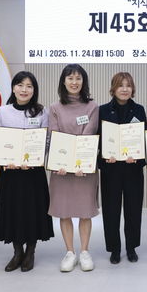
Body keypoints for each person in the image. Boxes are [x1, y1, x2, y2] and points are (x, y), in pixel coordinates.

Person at [0, 71, 54, 272]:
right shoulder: (3, 111)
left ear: (34, 90)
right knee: (13, 210)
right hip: (10, 172)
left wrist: (36, 159)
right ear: (13, 88)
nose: (24, 89)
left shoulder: (42, 112)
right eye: (20, 85)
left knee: (32, 210)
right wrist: (5, 160)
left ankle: (31, 251)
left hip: (33, 172)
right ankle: (17, 251)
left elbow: (46, 140)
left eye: (29, 86)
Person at [48, 64, 99, 272]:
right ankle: (69, 252)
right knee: (64, 211)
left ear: (83, 81)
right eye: (70, 78)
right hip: (61, 169)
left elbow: (89, 133)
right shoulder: (54, 107)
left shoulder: (92, 106)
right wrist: (63, 163)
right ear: (63, 81)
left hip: (84, 168)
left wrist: (79, 162)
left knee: (85, 211)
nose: (74, 82)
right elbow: (54, 135)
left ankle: (85, 251)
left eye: (78, 78)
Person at [99, 72, 147, 265]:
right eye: (120, 85)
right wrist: (105, 157)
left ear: (132, 88)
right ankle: (114, 248)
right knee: (111, 210)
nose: (125, 89)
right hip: (111, 170)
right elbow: (98, 140)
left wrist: (138, 157)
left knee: (133, 210)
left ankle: (131, 247)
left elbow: (145, 138)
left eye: (128, 85)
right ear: (113, 88)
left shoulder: (139, 110)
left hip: (132, 169)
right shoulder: (103, 110)